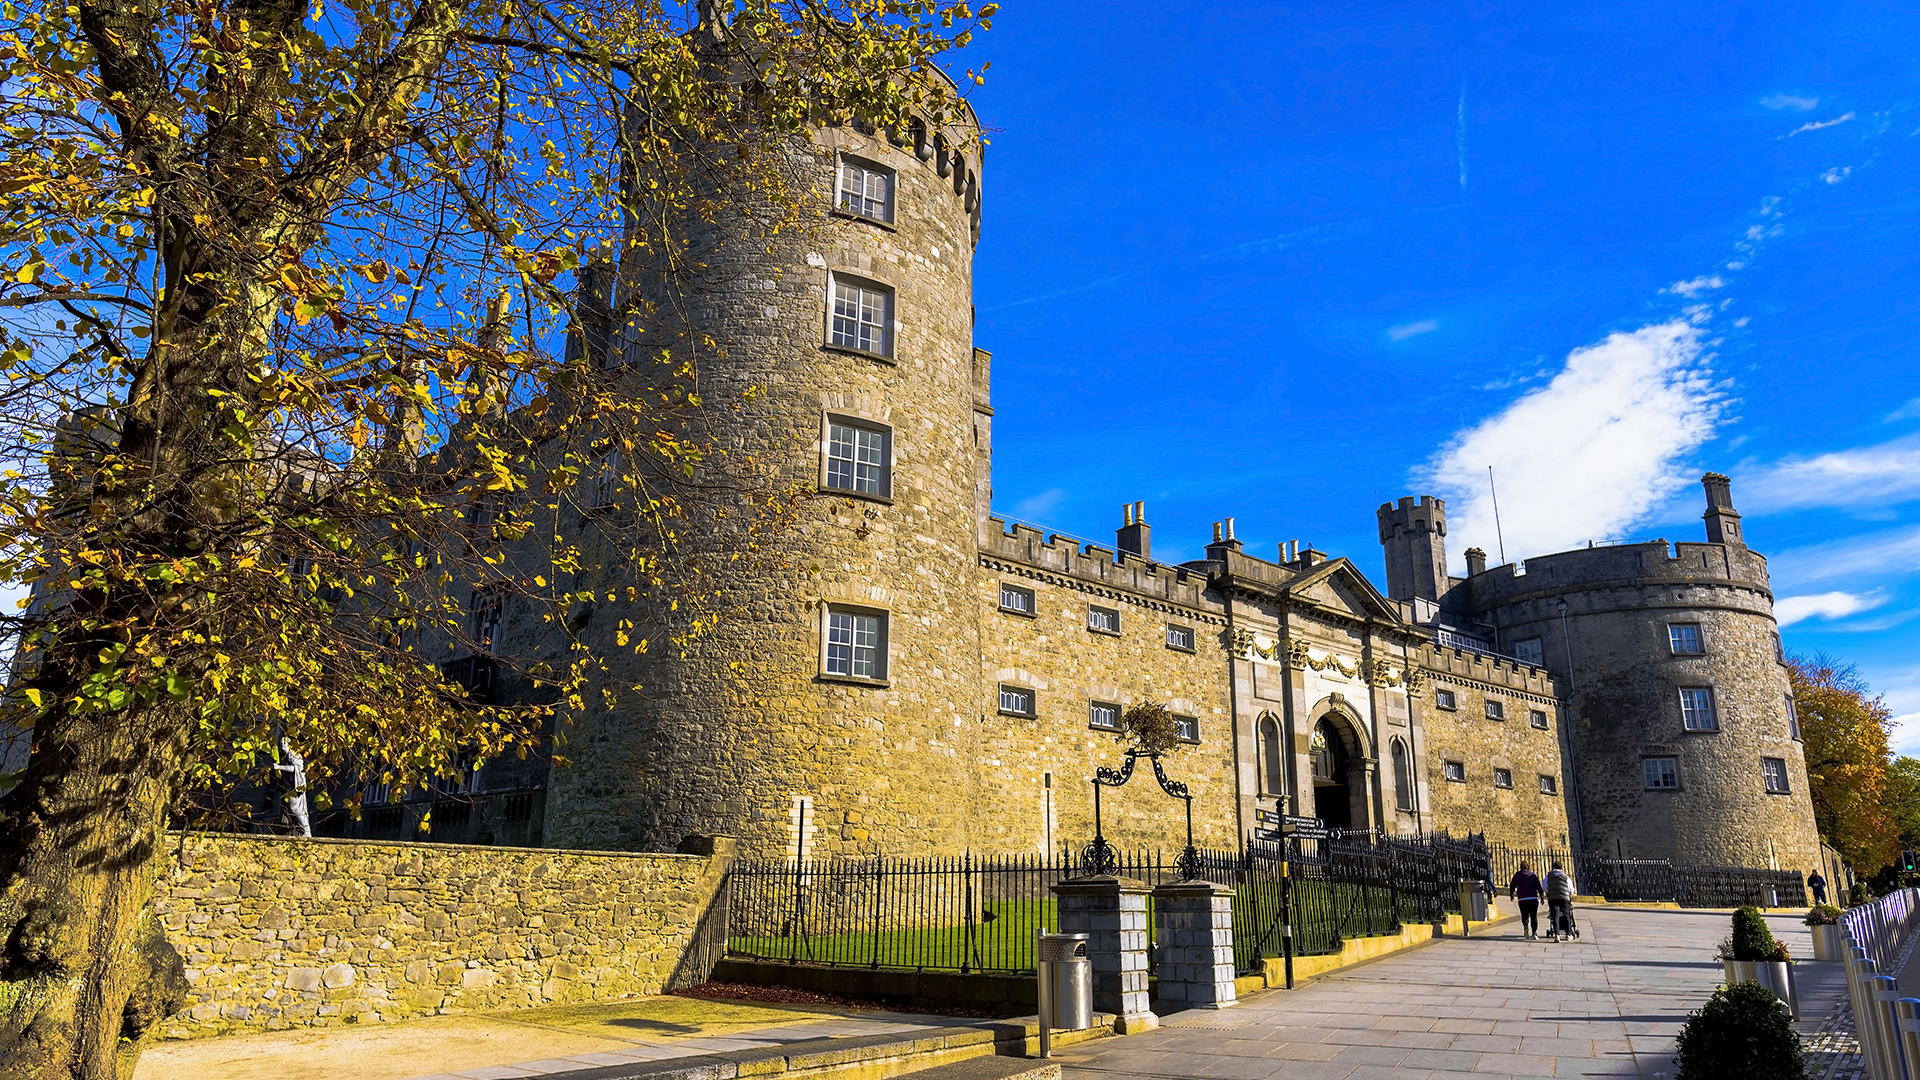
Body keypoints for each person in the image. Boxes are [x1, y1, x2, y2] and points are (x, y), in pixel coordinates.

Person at [1509, 861, 1543, 940]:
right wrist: (1541, 896)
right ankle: (1534, 933)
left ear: (1520, 867)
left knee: (1524, 915)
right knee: (1533, 916)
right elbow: (1538, 886)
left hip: (1522, 898)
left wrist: (1512, 895)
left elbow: (1512, 885)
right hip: (1533, 898)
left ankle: (1525, 926)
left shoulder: (1517, 875)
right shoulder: (1533, 875)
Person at [1544, 860, 1575, 941]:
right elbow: (1571, 889)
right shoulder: (1565, 876)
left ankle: (1557, 935)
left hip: (1553, 898)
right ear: (1562, 868)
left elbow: (1544, 887)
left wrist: (1550, 892)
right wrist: (1569, 894)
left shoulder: (1548, 876)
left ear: (1553, 867)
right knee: (1566, 915)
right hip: (1564, 898)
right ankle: (1568, 934)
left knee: (1555, 916)